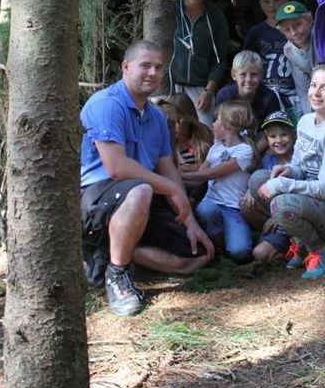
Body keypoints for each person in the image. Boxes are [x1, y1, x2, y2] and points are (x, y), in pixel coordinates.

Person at [80, 41, 215, 317]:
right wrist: (169, 188)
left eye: (158, 67)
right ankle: (117, 275)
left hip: (141, 198)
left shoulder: (156, 117)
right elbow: (116, 168)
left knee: (200, 254)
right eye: (145, 66)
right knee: (140, 190)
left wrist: (190, 221)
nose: (153, 73)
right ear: (125, 67)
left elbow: (168, 169)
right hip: (95, 198)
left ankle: (112, 249)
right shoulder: (107, 104)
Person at [255, 63, 325, 279]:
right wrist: (288, 170)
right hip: (310, 202)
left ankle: (321, 250)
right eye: (313, 85)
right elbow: (300, 167)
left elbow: (324, 189)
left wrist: (281, 184)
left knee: (281, 203)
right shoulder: (304, 121)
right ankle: (301, 241)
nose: (316, 93)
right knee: (258, 180)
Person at [181, 101, 258, 262]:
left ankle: (232, 242)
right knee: (205, 209)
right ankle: (220, 247)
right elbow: (200, 176)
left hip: (234, 207)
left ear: (229, 123)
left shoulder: (244, 150)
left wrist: (178, 175)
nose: (213, 124)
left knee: (240, 252)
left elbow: (213, 173)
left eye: (216, 120)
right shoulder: (216, 147)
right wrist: (174, 181)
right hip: (213, 202)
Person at [171, 0, 229, 126]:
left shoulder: (215, 17)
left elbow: (219, 59)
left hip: (200, 89)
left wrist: (209, 91)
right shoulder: (171, 10)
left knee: (205, 130)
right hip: (170, 86)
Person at [241, 111, 296, 262]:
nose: (278, 140)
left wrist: (279, 217)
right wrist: (249, 191)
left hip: (294, 213)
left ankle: (296, 248)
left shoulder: (300, 158)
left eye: (284, 135)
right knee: (246, 204)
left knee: (260, 254)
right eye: (272, 136)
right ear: (267, 139)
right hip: (274, 212)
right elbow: (259, 182)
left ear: (293, 135)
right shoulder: (269, 159)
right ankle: (270, 236)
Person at [214, 50, 285, 152]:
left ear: (261, 75)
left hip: (260, 143)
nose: (248, 80)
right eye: (243, 74)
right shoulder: (224, 96)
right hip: (231, 141)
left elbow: (271, 131)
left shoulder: (269, 97)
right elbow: (219, 128)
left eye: (254, 74)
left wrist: (251, 153)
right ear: (233, 75)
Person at [242, 0, 294, 108]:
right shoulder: (255, 33)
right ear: (260, 4)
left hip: (295, 92)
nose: (271, 5)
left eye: (276, 0)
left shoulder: (296, 30)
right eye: (266, 1)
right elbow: (246, 64)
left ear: (286, 1)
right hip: (265, 94)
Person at [156, 93, 213, 203]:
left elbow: (210, 166)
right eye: (171, 121)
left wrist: (182, 169)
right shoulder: (165, 139)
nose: (175, 125)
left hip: (202, 188)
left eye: (179, 120)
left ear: (189, 118)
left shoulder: (204, 134)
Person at [275, 1, 315, 117]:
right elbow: (303, 90)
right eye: (287, 30)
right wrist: (311, 118)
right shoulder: (289, 50)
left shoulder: (320, 36)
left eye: (298, 25)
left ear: (309, 20)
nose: (294, 33)